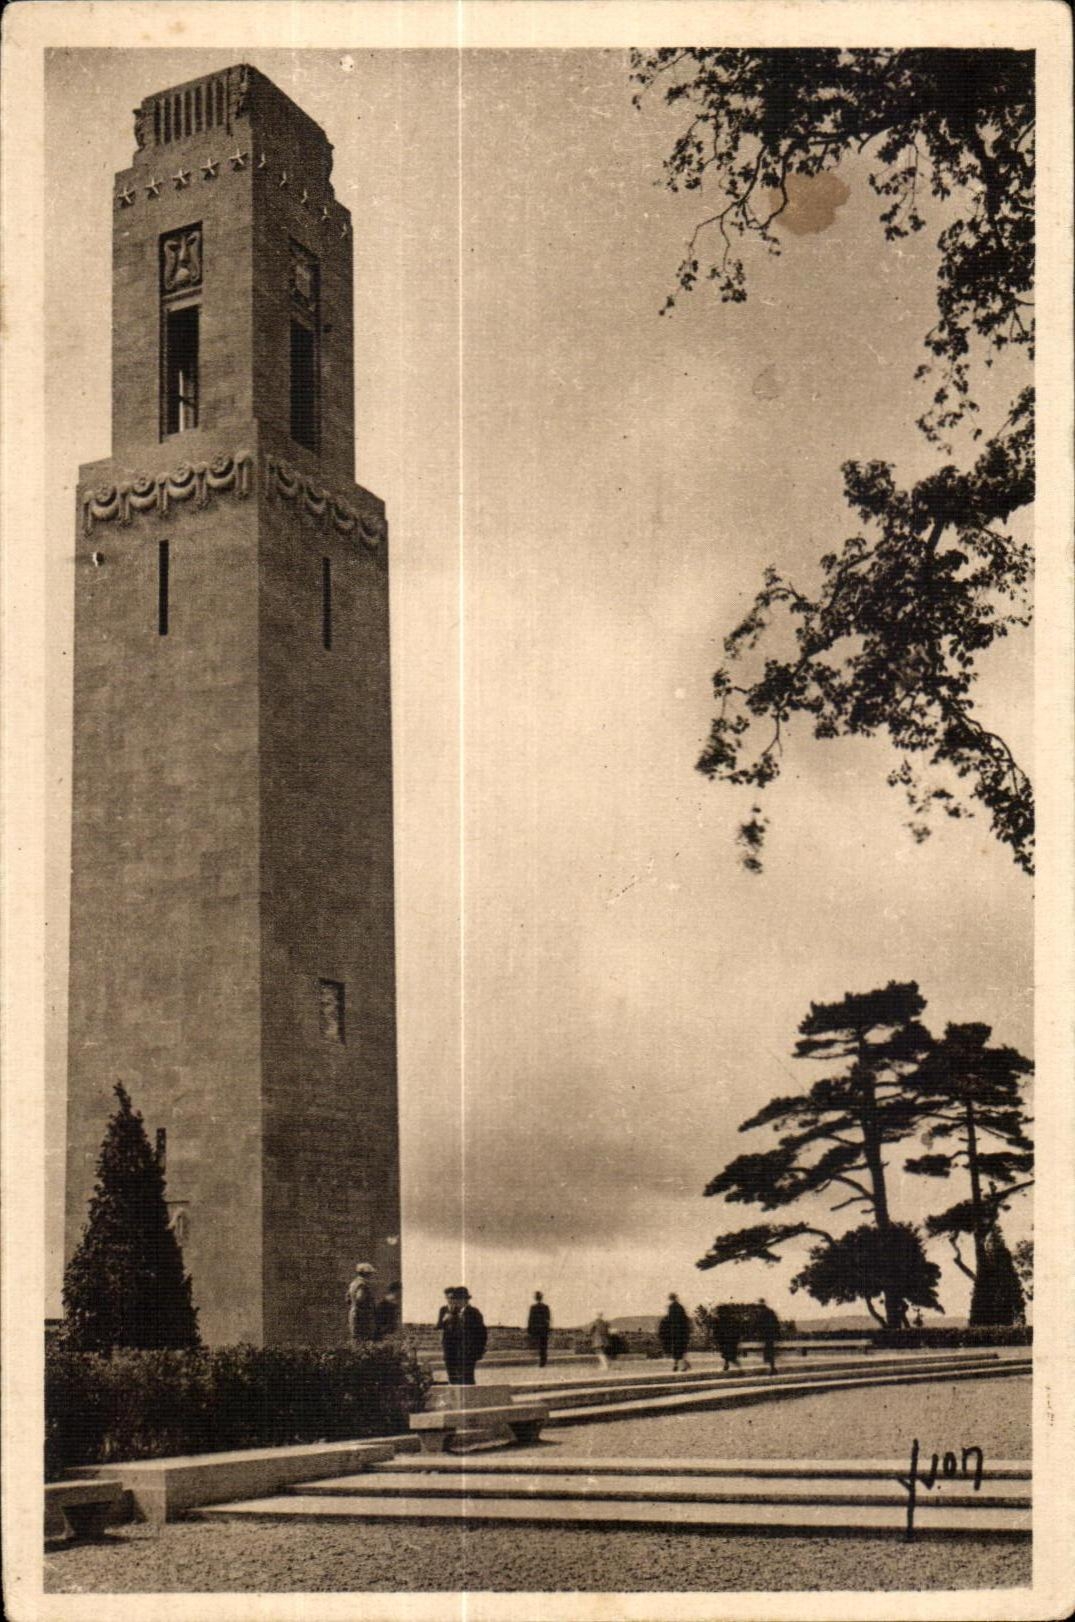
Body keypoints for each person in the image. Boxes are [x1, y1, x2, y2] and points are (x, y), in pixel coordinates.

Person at [440, 1286, 488, 1385]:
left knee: (467, 1379)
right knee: (453, 1379)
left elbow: (481, 1334)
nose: (455, 1302)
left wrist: (477, 1352)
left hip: (467, 1353)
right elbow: (447, 1333)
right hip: (452, 1354)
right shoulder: (452, 1314)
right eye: (454, 1299)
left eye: (457, 1299)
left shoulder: (474, 1313)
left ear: (464, 1300)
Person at [658, 1292, 693, 1372]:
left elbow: (671, 1319)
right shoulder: (680, 1307)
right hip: (681, 1331)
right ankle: (680, 1365)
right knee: (681, 1350)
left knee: (677, 1349)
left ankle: (679, 1365)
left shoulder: (673, 1307)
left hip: (676, 1331)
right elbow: (684, 1319)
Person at [346, 1262, 378, 1343]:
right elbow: (360, 1298)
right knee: (364, 1339)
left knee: (356, 1338)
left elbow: (348, 1299)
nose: (371, 1275)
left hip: (354, 1313)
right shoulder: (363, 1284)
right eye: (370, 1273)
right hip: (363, 1316)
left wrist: (353, 1307)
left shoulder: (353, 1284)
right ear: (366, 1274)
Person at [527, 1291, 552, 1368]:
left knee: (539, 1345)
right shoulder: (545, 1307)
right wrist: (548, 1328)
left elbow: (530, 1319)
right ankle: (543, 1360)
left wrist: (530, 1329)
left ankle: (542, 1361)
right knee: (543, 1345)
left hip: (537, 1329)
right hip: (543, 1329)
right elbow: (548, 1319)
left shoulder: (533, 1307)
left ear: (536, 1298)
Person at [757, 1297, 780, 1375]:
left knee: (768, 1352)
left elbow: (757, 1324)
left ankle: (772, 1368)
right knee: (769, 1351)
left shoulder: (761, 1313)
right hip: (771, 1335)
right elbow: (776, 1323)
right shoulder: (770, 1311)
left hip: (766, 1335)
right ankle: (772, 1368)